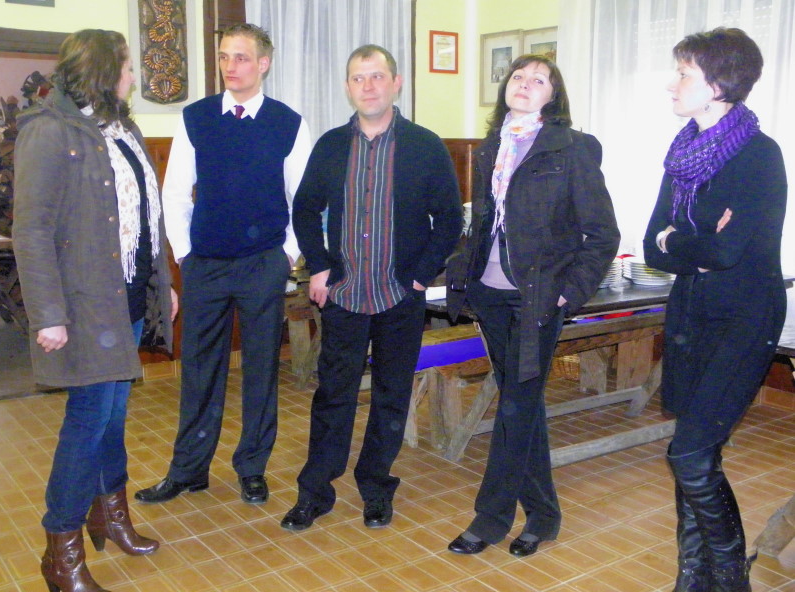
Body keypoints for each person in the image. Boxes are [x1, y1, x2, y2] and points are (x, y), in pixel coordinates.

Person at [12, 29, 176, 592]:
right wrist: (48, 314)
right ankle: (60, 550)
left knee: (113, 416)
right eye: (127, 67)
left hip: (125, 298)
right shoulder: (49, 130)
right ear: (104, 71)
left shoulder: (122, 127)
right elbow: (31, 231)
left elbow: (145, 214)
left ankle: (109, 515)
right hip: (83, 306)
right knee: (87, 422)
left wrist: (160, 283)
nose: (133, 77)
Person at [445, 54, 619, 557]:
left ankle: (490, 518)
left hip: (537, 299)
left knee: (516, 405)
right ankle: (544, 515)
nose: (524, 83)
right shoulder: (492, 148)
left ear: (553, 96)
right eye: (518, 76)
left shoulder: (572, 148)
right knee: (522, 407)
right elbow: (485, 223)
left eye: (538, 79)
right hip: (490, 295)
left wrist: (569, 291)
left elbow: (602, 233)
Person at [283, 44, 462, 531]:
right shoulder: (331, 146)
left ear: (396, 83)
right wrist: (319, 267)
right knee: (333, 395)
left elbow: (449, 219)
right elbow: (304, 209)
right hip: (343, 293)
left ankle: (376, 484)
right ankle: (315, 491)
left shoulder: (425, 146)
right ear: (348, 87)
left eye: (378, 76)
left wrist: (420, 275)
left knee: (391, 395)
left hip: (399, 295)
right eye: (359, 78)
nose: (369, 86)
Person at [134, 24, 311, 507]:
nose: (230, 66)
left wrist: (286, 256)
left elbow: (303, 199)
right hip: (205, 265)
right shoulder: (196, 118)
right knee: (198, 369)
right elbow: (175, 193)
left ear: (264, 64)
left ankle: (252, 467)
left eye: (241, 57)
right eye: (224, 56)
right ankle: (189, 469)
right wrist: (186, 255)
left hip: (262, 265)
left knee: (260, 369)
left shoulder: (288, 123)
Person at [643, 28, 787, 592]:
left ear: (720, 84)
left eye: (684, 74)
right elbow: (652, 242)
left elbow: (729, 254)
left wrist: (680, 240)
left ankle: (730, 578)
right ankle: (693, 574)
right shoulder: (682, 155)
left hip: (744, 318)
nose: (672, 84)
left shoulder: (760, 156)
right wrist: (692, 244)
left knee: (689, 453)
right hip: (690, 315)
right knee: (698, 454)